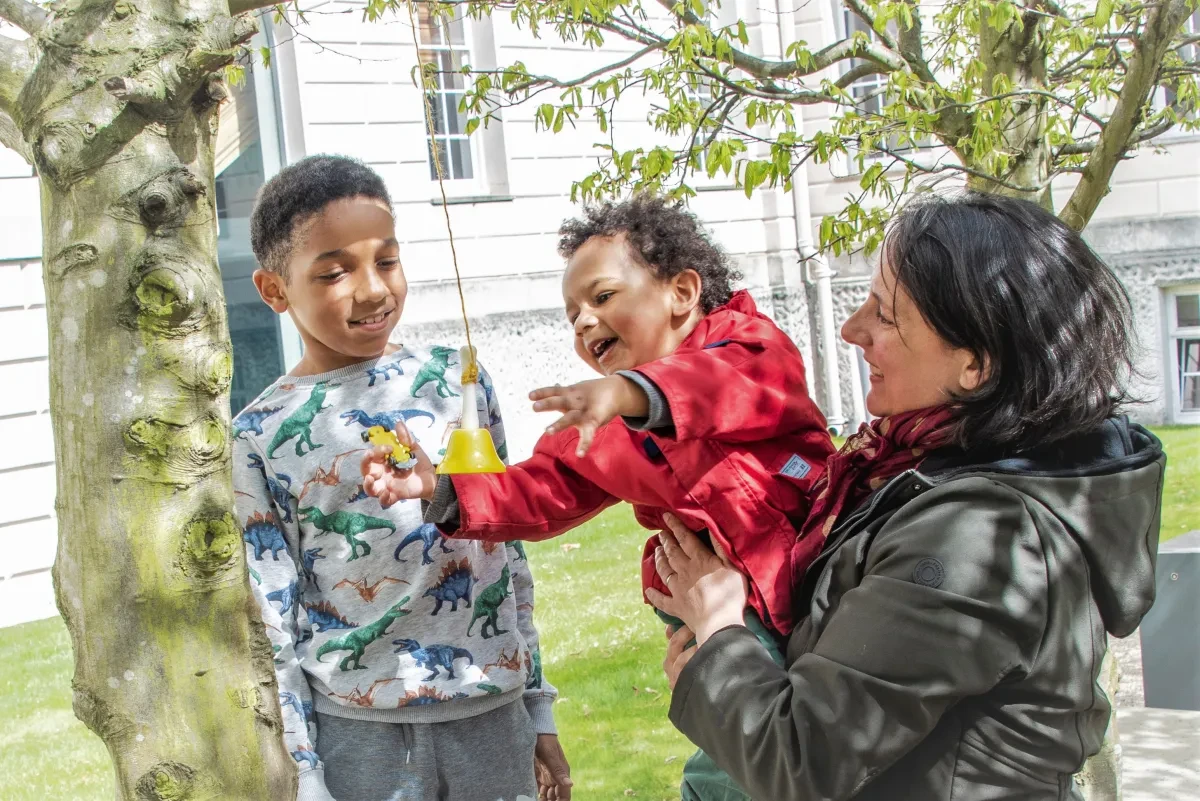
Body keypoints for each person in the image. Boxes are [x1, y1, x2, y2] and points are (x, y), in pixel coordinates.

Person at [647, 191, 1165, 801]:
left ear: (976, 363)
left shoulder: (979, 535)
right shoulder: (922, 470)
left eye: (886, 315)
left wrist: (718, 635)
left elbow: (803, 758)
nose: (851, 329)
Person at [361, 195, 836, 801]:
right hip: (733, 615)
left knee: (794, 751)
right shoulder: (604, 427)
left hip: (813, 584)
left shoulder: (749, 348)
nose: (584, 321)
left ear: (682, 292)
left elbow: (720, 388)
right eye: (572, 314)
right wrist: (438, 486)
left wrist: (626, 392)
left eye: (603, 297)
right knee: (733, 766)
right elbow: (540, 490)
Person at [233, 154, 570, 801]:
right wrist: (304, 777)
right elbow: (271, 621)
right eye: (334, 272)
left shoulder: (459, 380)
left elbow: (507, 551)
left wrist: (537, 706)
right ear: (275, 289)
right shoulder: (259, 434)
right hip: (360, 741)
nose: (372, 289)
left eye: (386, 261)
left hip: (492, 723)